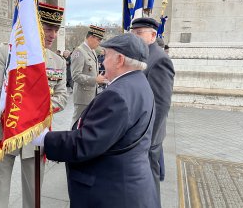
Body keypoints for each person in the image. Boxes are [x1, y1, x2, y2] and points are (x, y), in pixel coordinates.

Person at [32, 33, 159, 207]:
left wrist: (45, 138)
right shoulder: (139, 83)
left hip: (112, 193)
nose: (102, 62)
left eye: (106, 56)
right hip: (129, 184)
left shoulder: (118, 95)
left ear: (119, 60)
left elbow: (86, 142)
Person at [0, 2, 68, 208]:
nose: (53, 35)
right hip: (4, 130)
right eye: (48, 28)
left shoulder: (58, 62)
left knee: (34, 193)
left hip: (36, 135)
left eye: (56, 29)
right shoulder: (8, 52)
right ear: (34, 26)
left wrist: (32, 111)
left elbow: (62, 97)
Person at [130, 17, 175, 205]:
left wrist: (148, 138)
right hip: (140, 131)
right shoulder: (142, 56)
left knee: (149, 178)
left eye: (140, 33)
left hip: (148, 136)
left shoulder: (159, 59)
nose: (136, 37)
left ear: (153, 35)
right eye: (134, 33)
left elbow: (162, 104)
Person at [70, 25, 107, 125]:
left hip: (91, 95)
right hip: (82, 97)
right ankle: (71, 140)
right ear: (91, 37)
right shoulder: (79, 51)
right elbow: (75, 75)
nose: (99, 43)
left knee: (85, 122)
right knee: (77, 122)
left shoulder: (92, 52)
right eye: (98, 40)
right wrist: (95, 80)